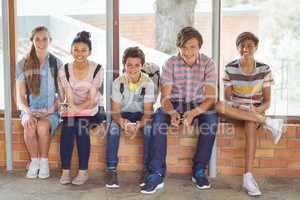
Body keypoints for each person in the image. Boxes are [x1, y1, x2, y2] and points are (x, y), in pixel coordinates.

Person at [142, 26, 219, 194]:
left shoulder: (208, 64)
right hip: (175, 102)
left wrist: (193, 113)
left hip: (199, 104)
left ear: (199, 47)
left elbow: (211, 98)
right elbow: (165, 97)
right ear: (179, 47)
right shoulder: (170, 63)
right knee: (158, 120)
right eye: (184, 47)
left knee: (212, 121)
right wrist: (172, 113)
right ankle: (157, 172)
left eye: (193, 47)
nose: (188, 51)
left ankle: (199, 170)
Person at [215, 32, 284, 196]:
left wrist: (256, 110)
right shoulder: (229, 68)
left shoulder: (264, 69)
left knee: (251, 123)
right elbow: (227, 98)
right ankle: (269, 123)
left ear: (256, 48)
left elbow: (267, 102)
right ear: (237, 48)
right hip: (236, 109)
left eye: (250, 46)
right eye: (242, 46)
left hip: (255, 112)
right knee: (218, 105)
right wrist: (241, 106)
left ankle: (248, 176)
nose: (245, 49)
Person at [58, 31, 106, 185]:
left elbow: (92, 100)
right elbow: (69, 97)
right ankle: (65, 171)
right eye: (76, 49)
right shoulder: (64, 70)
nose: (79, 53)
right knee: (68, 126)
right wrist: (72, 108)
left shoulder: (98, 68)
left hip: (93, 110)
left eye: (84, 50)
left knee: (80, 125)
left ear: (89, 52)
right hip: (73, 108)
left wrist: (77, 110)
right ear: (71, 50)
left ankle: (83, 172)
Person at [105, 47, 156, 191]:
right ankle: (111, 169)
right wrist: (123, 123)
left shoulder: (148, 83)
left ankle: (146, 169)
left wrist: (138, 125)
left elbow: (148, 113)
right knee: (113, 128)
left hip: (141, 115)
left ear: (142, 66)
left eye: (137, 65)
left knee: (148, 129)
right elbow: (115, 112)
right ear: (124, 65)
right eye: (129, 65)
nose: (132, 69)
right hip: (123, 114)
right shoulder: (117, 83)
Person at [16, 26, 62, 179]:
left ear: (50, 41)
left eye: (45, 39)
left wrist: (49, 110)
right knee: (30, 126)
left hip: (50, 110)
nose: (41, 42)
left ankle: (44, 162)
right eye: (37, 39)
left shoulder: (56, 63)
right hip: (30, 109)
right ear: (32, 41)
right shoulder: (23, 64)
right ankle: (34, 161)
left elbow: (62, 97)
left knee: (42, 127)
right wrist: (28, 112)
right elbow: (20, 96)